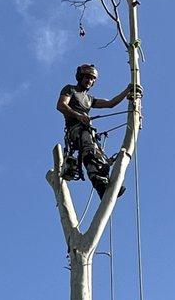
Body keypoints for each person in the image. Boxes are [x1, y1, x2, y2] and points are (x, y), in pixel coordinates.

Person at [56, 63, 139, 200]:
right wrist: (78, 115)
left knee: (99, 156)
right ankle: (99, 183)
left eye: (92, 79)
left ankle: (105, 183)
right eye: (87, 77)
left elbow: (110, 103)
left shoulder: (89, 99)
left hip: (87, 131)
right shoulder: (70, 89)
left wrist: (127, 90)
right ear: (80, 77)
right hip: (76, 130)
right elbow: (61, 105)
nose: (89, 81)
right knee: (89, 152)